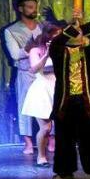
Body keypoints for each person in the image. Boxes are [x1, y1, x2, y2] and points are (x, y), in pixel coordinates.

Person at [50, 8, 90, 179]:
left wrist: (82, 24)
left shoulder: (87, 54)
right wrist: (72, 27)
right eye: (75, 33)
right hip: (65, 101)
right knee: (64, 138)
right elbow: (57, 42)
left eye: (80, 33)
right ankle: (64, 171)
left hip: (86, 100)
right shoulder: (59, 53)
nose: (78, 34)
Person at [2, 0, 43, 155]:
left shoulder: (43, 27)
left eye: (35, 7)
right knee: (24, 106)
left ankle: (51, 139)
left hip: (45, 72)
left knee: (48, 104)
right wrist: (29, 48)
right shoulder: (11, 31)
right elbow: (14, 54)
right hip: (25, 72)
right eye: (30, 7)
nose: (34, 10)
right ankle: (28, 142)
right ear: (21, 9)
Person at [20, 22, 59, 167]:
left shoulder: (62, 50)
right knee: (46, 128)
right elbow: (34, 69)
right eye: (55, 36)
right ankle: (41, 157)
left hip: (58, 88)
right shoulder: (35, 51)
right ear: (48, 37)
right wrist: (47, 54)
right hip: (42, 90)